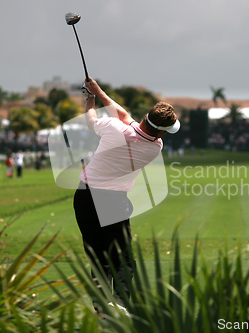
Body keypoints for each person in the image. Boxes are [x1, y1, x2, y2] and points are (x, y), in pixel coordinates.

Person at [73, 77, 180, 313]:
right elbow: (124, 116)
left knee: (96, 254)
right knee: (122, 257)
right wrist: (98, 91)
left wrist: (91, 98)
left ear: (144, 118)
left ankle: (101, 306)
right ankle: (120, 303)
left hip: (85, 196)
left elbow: (95, 120)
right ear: (161, 132)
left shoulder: (114, 128)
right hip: (113, 200)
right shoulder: (155, 147)